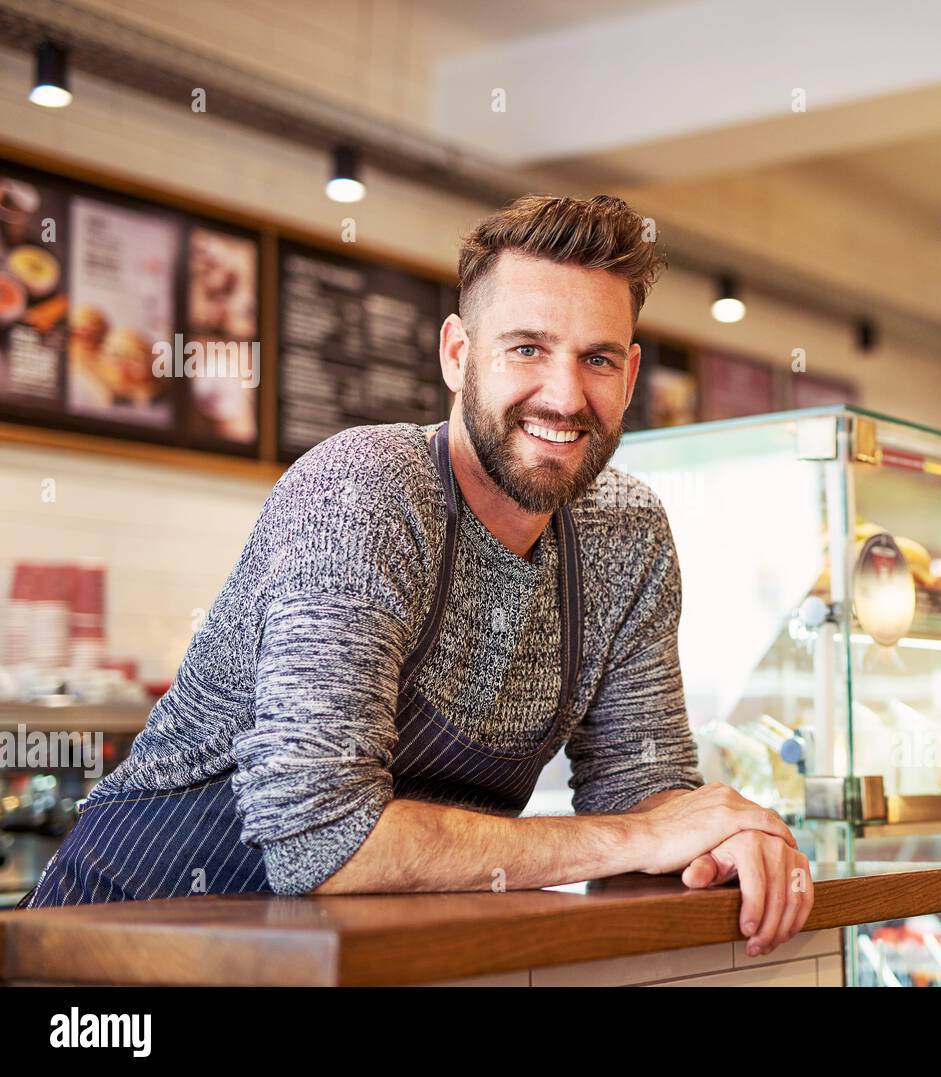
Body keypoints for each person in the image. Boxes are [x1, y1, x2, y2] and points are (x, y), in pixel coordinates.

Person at [21, 193, 812, 957]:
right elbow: (319, 841)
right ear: (458, 355)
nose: (565, 395)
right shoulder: (367, 490)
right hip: (122, 940)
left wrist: (725, 833)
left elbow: (644, 786)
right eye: (527, 348)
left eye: (597, 358)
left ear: (631, 376)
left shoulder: (626, 533)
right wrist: (642, 835)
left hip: (355, 957)